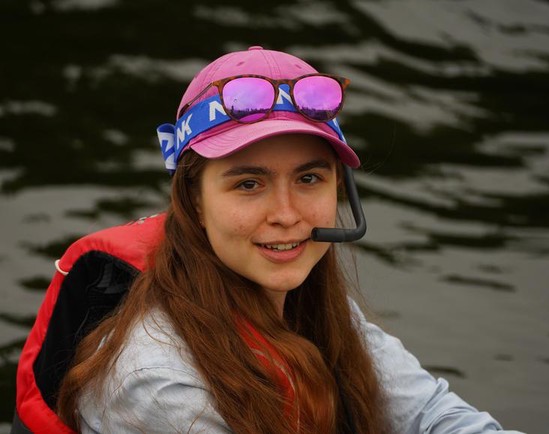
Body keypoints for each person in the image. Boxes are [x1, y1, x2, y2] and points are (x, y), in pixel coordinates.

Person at [55, 46, 524, 434]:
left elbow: (433, 415)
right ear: (194, 201)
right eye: (248, 183)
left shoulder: (317, 308)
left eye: (309, 178)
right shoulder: (157, 384)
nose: (286, 215)